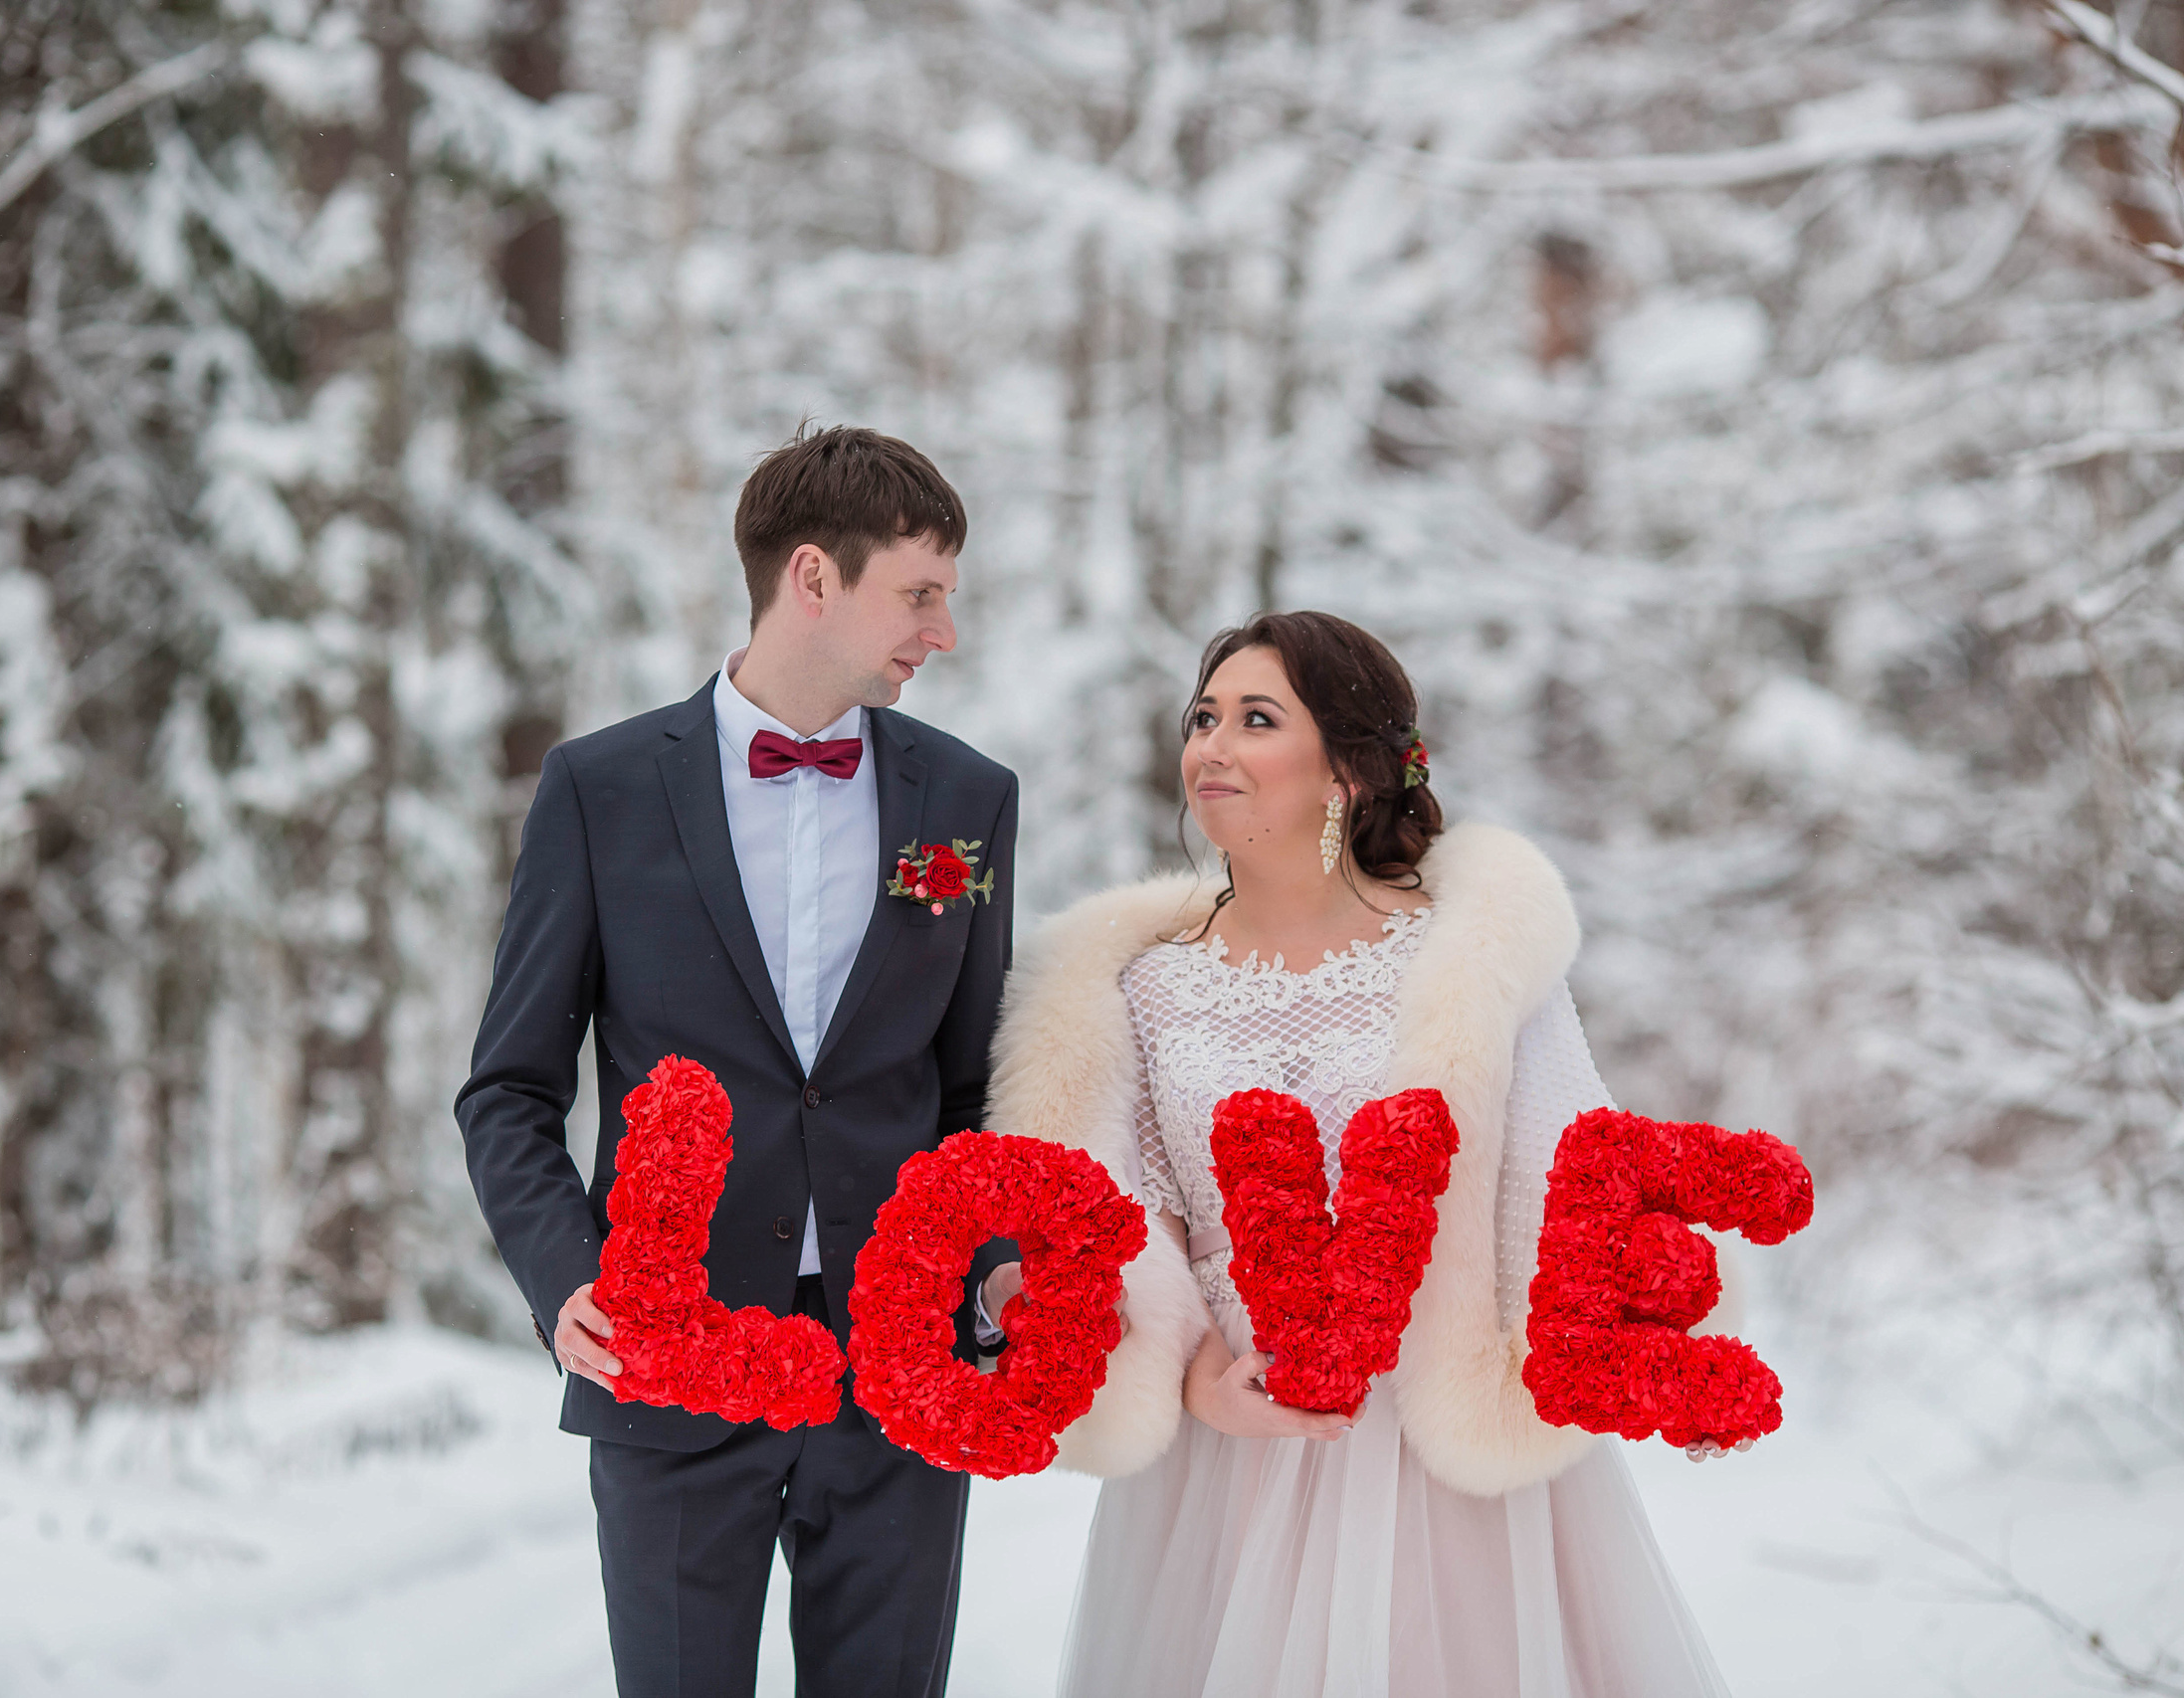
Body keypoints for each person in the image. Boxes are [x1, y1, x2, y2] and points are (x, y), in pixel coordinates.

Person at [982, 611, 1733, 1696]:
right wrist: (1199, 1384)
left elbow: (1570, 1167)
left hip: (1439, 1446)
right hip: (1231, 1462)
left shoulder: (1465, 961)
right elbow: (1137, 1232)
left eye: (1255, 719)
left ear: (1345, 770)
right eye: (1203, 718)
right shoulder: (1144, 987)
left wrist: (1670, 1350)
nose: (1212, 747)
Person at [453, 426, 1020, 1698]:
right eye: (918, 594)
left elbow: (973, 1089)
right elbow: (507, 1090)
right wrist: (566, 1284)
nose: (941, 631)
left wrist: (992, 1283)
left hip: (899, 1379)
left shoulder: (968, 800)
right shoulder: (598, 789)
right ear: (812, 578)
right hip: (669, 1365)